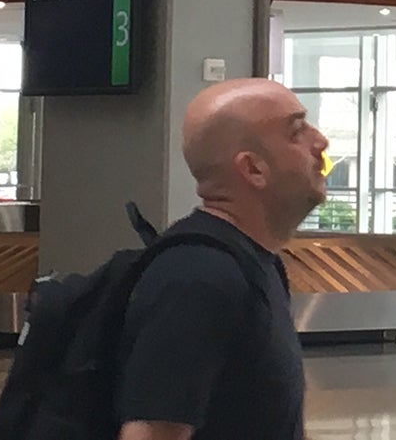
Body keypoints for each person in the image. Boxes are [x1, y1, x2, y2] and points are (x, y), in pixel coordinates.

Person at [114, 78, 328, 440]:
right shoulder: (198, 276)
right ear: (253, 168)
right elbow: (150, 433)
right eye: (297, 131)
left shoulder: (256, 263)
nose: (320, 141)